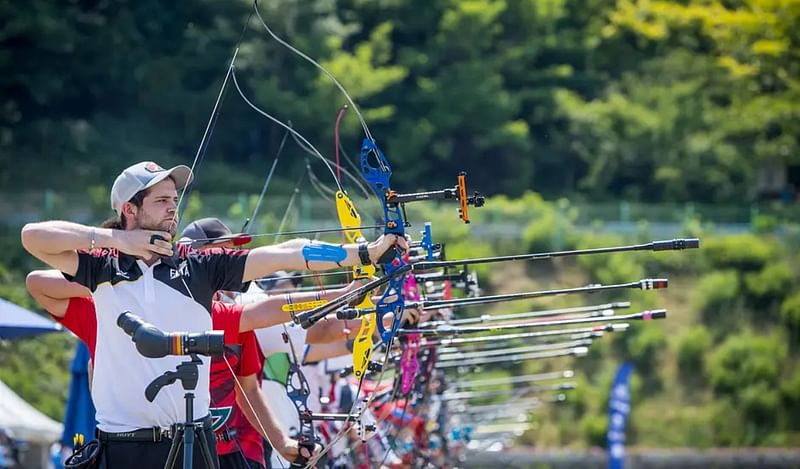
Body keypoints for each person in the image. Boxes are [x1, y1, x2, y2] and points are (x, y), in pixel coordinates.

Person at [20, 161, 407, 469]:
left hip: (193, 440)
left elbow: (286, 253)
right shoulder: (102, 267)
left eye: (175, 199)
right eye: (161, 201)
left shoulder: (198, 267)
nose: (173, 207)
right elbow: (32, 237)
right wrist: (117, 240)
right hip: (123, 444)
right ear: (129, 209)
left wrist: (363, 254)